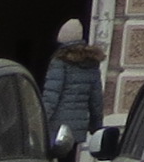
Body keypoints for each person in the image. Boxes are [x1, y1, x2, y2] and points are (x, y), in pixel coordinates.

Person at [40, 18, 104, 150]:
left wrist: (40, 121)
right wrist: (96, 126)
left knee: (54, 160)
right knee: (70, 160)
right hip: (77, 128)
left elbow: (51, 97)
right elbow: (96, 100)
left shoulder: (59, 62)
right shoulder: (92, 64)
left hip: (57, 127)